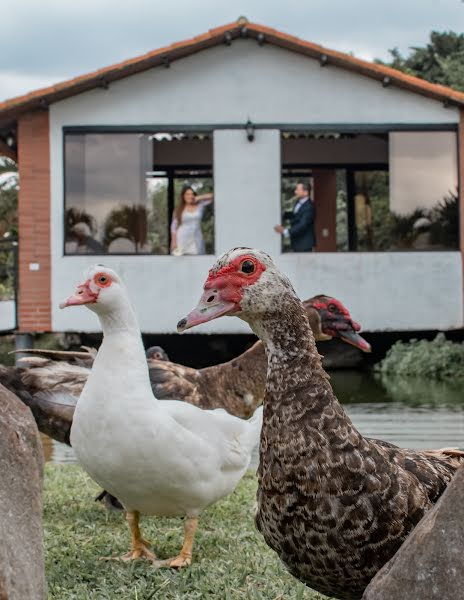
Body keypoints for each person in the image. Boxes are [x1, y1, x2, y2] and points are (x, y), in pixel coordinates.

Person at [170, 185, 213, 255]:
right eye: (187, 194)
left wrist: (198, 198)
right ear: (183, 196)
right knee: (181, 261)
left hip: (196, 237)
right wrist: (174, 242)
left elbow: (213, 196)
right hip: (182, 238)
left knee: (197, 260)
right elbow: (173, 227)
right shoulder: (178, 209)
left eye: (191, 194)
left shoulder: (199, 206)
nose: (190, 196)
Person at [274, 181, 315, 252]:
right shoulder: (298, 202)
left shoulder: (309, 206)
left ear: (306, 192)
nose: (295, 192)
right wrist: (283, 214)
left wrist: (286, 231)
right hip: (297, 242)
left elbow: (303, 224)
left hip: (304, 243)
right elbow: (295, 215)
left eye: (298, 190)